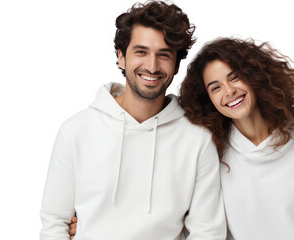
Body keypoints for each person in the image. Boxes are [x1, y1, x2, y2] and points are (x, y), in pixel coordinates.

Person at [40, 1, 226, 239]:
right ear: (121, 57)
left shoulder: (197, 138)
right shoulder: (76, 131)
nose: (151, 65)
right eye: (141, 51)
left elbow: (207, 232)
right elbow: (55, 222)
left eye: (164, 55)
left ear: (177, 64)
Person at [179, 38, 294, 239]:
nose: (229, 91)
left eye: (234, 77)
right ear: (208, 99)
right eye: (215, 87)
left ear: (253, 75)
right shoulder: (212, 153)